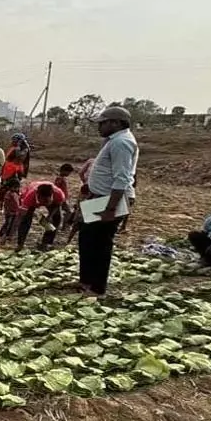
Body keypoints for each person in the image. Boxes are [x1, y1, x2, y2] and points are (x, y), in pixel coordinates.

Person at [79, 106, 140, 295]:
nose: (99, 127)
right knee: (87, 238)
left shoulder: (121, 142)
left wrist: (110, 209)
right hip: (101, 197)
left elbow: (122, 178)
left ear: (116, 123)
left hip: (110, 200)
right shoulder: (114, 140)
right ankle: (87, 281)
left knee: (100, 242)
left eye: (102, 123)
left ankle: (97, 287)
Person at [13, 181, 66, 252]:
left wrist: (50, 216)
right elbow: (21, 215)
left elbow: (58, 204)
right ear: (38, 196)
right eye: (43, 201)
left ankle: (46, 242)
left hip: (53, 202)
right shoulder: (29, 197)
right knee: (25, 221)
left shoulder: (59, 194)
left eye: (47, 201)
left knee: (57, 218)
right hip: (32, 200)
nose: (44, 204)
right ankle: (20, 244)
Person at [0, 177, 23, 243]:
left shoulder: (14, 194)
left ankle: (4, 234)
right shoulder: (10, 194)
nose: (18, 189)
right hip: (10, 212)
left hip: (13, 211)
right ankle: (4, 235)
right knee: (8, 224)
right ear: (12, 187)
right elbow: (8, 204)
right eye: (17, 187)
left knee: (9, 223)